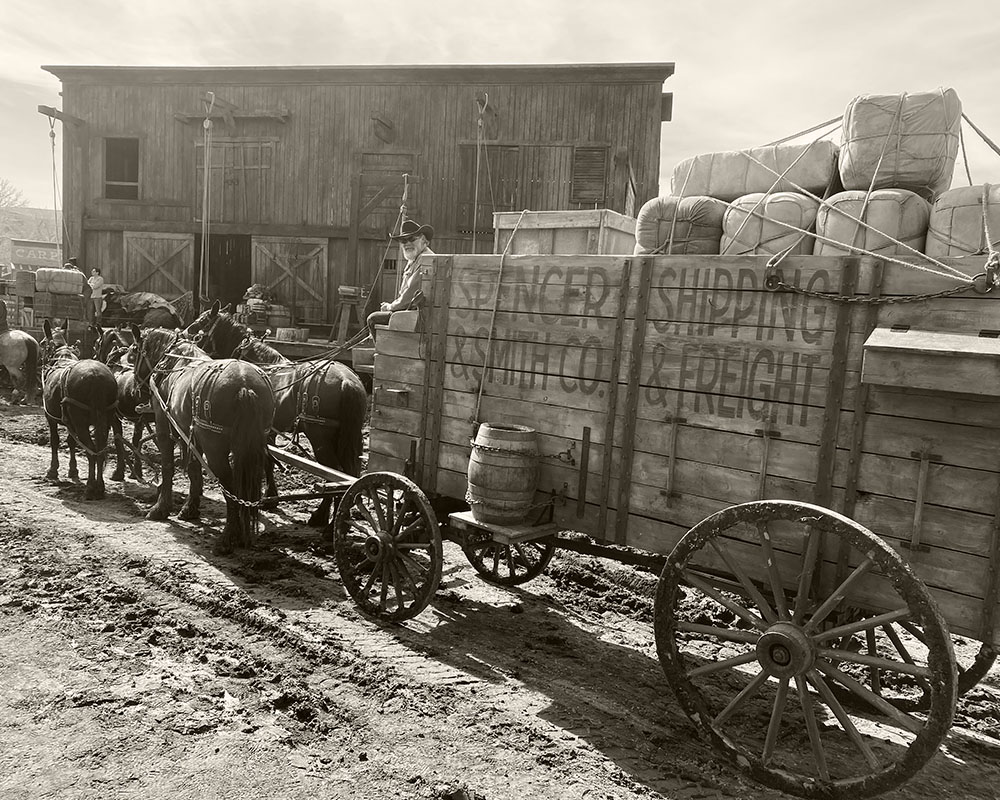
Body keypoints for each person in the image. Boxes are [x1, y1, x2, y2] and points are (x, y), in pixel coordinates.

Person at [366, 219, 436, 341]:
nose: (407, 243)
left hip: (420, 316)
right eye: (403, 241)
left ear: (424, 241)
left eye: (412, 239)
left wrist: (390, 307)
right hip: (413, 313)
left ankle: (385, 352)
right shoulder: (414, 260)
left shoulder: (426, 260)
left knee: (372, 319)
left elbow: (408, 297)